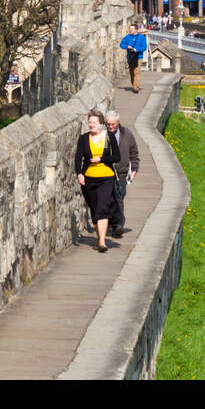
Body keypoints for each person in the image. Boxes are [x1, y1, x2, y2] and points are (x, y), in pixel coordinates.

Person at [75, 109, 120, 252]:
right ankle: (100, 236)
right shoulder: (83, 139)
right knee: (94, 210)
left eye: (94, 122)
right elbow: (78, 158)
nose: (91, 125)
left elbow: (117, 157)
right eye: (89, 122)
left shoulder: (109, 137)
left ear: (101, 124)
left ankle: (101, 242)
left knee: (102, 207)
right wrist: (79, 174)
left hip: (106, 178)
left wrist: (101, 159)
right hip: (89, 179)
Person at [106, 109, 140, 240]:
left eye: (113, 124)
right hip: (106, 171)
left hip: (121, 172)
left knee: (119, 196)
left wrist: (135, 168)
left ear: (118, 122)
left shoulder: (126, 134)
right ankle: (109, 225)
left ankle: (118, 224)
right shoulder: (103, 134)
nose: (110, 126)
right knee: (108, 198)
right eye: (108, 124)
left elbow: (134, 152)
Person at [118, 23, 148, 93]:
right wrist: (127, 46)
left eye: (132, 29)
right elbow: (121, 44)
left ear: (136, 30)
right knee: (131, 72)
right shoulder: (127, 37)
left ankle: (136, 88)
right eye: (130, 29)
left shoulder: (141, 37)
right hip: (130, 57)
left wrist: (137, 49)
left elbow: (144, 47)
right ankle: (133, 85)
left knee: (136, 72)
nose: (130, 30)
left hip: (138, 57)